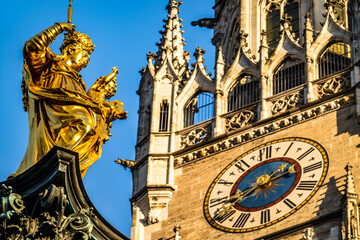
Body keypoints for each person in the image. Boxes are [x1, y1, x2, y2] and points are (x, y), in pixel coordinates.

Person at [15, 22, 126, 178]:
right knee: (85, 123)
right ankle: (55, 164)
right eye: (85, 54)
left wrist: (110, 109)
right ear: (71, 50)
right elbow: (33, 47)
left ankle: (67, 169)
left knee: (93, 125)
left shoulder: (79, 84)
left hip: (70, 124)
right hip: (53, 119)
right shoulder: (50, 66)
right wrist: (58, 28)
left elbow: (93, 102)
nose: (87, 61)